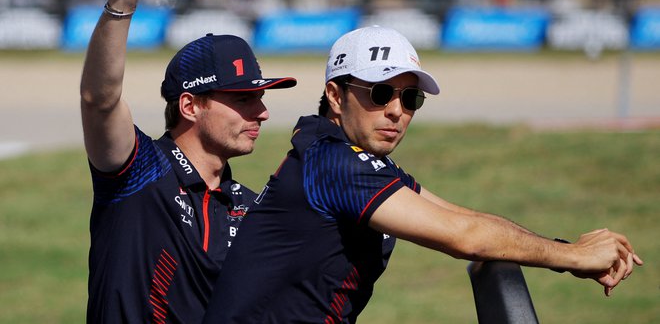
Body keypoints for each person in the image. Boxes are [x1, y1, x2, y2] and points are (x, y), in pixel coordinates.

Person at [202, 25, 643, 323]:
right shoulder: (334, 163)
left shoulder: (347, 158)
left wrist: (567, 251)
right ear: (335, 97)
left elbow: (464, 217)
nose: (397, 110)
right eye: (379, 92)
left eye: (410, 98)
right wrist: (573, 257)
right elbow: (464, 237)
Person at [80, 0, 296, 323]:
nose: (262, 113)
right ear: (190, 106)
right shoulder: (139, 171)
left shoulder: (252, 210)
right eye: (242, 100)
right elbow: (99, 100)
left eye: (260, 98)